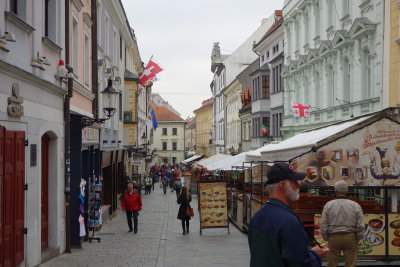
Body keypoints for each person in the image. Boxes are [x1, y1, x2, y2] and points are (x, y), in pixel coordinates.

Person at [248, 162, 329, 267]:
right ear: (282, 185)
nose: (298, 185)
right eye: (294, 181)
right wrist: (316, 255)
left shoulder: (257, 216)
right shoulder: (288, 221)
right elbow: (300, 263)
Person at [320, 180, 365, 267]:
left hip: (333, 237)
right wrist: (357, 238)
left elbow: (323, 223)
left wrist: (326, 237)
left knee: (332, 264)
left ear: (335, 190)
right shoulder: (355, 205)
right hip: (350, 237)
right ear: (347, 191)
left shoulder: (329, 205)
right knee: (350, 264)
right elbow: (361, 225)